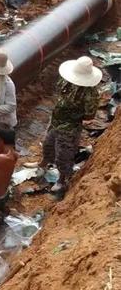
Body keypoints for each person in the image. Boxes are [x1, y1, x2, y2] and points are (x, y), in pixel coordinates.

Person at [25, 56, 101, 193]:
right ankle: (43, 164)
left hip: (69, 128)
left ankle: (62, 180)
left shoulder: (90, 94)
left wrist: (73, 116)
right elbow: (59, 91)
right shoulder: (67, 82)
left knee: (64, 154)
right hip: (55, 121)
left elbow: (89, 115)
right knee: (48, 144)